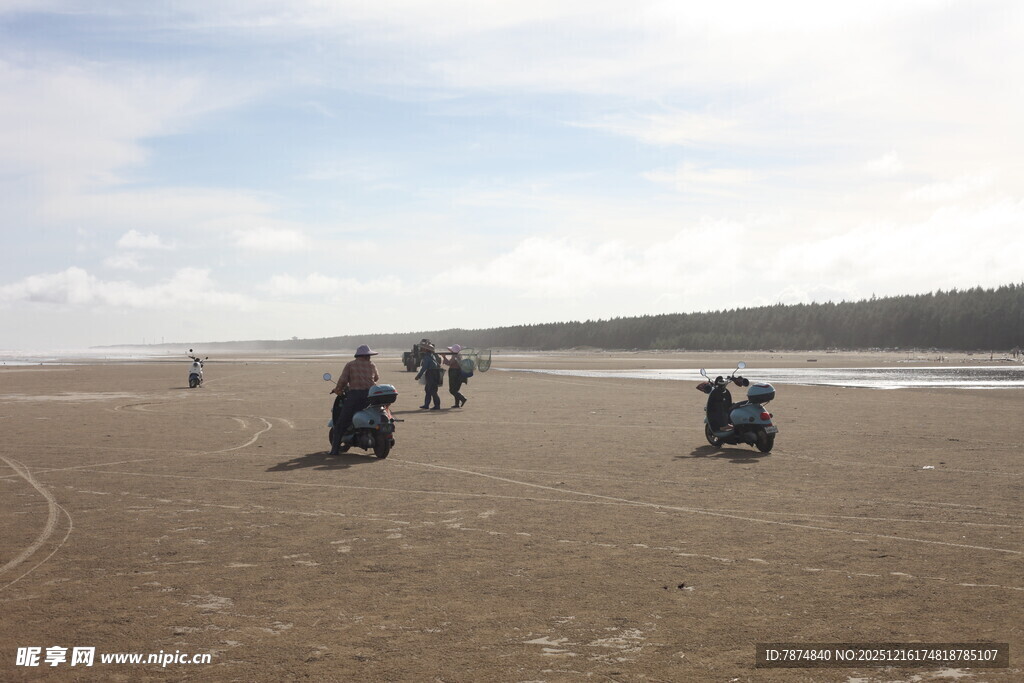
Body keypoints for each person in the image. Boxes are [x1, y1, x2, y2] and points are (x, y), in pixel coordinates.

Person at [328, 344, 380, 455]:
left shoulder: (350, 365)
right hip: (371, 396)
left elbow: (343, 380)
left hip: (355, 396)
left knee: (341, 422)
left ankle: (334, 450)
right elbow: (376, 378)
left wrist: (338, 389)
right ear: (366, 356)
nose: (369, 357)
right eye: (368, 356)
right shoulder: (372, 365)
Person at [414, 341, 442, 410]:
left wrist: (418, 376)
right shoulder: (432, 356)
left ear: (426, 349)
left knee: (432, 390)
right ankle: (426, 405)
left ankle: (437, 405)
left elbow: (424, 367)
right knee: (428, 390)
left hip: (431, 374)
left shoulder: (427, 357)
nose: (421, 349)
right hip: (434, 373)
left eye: (423, 348)